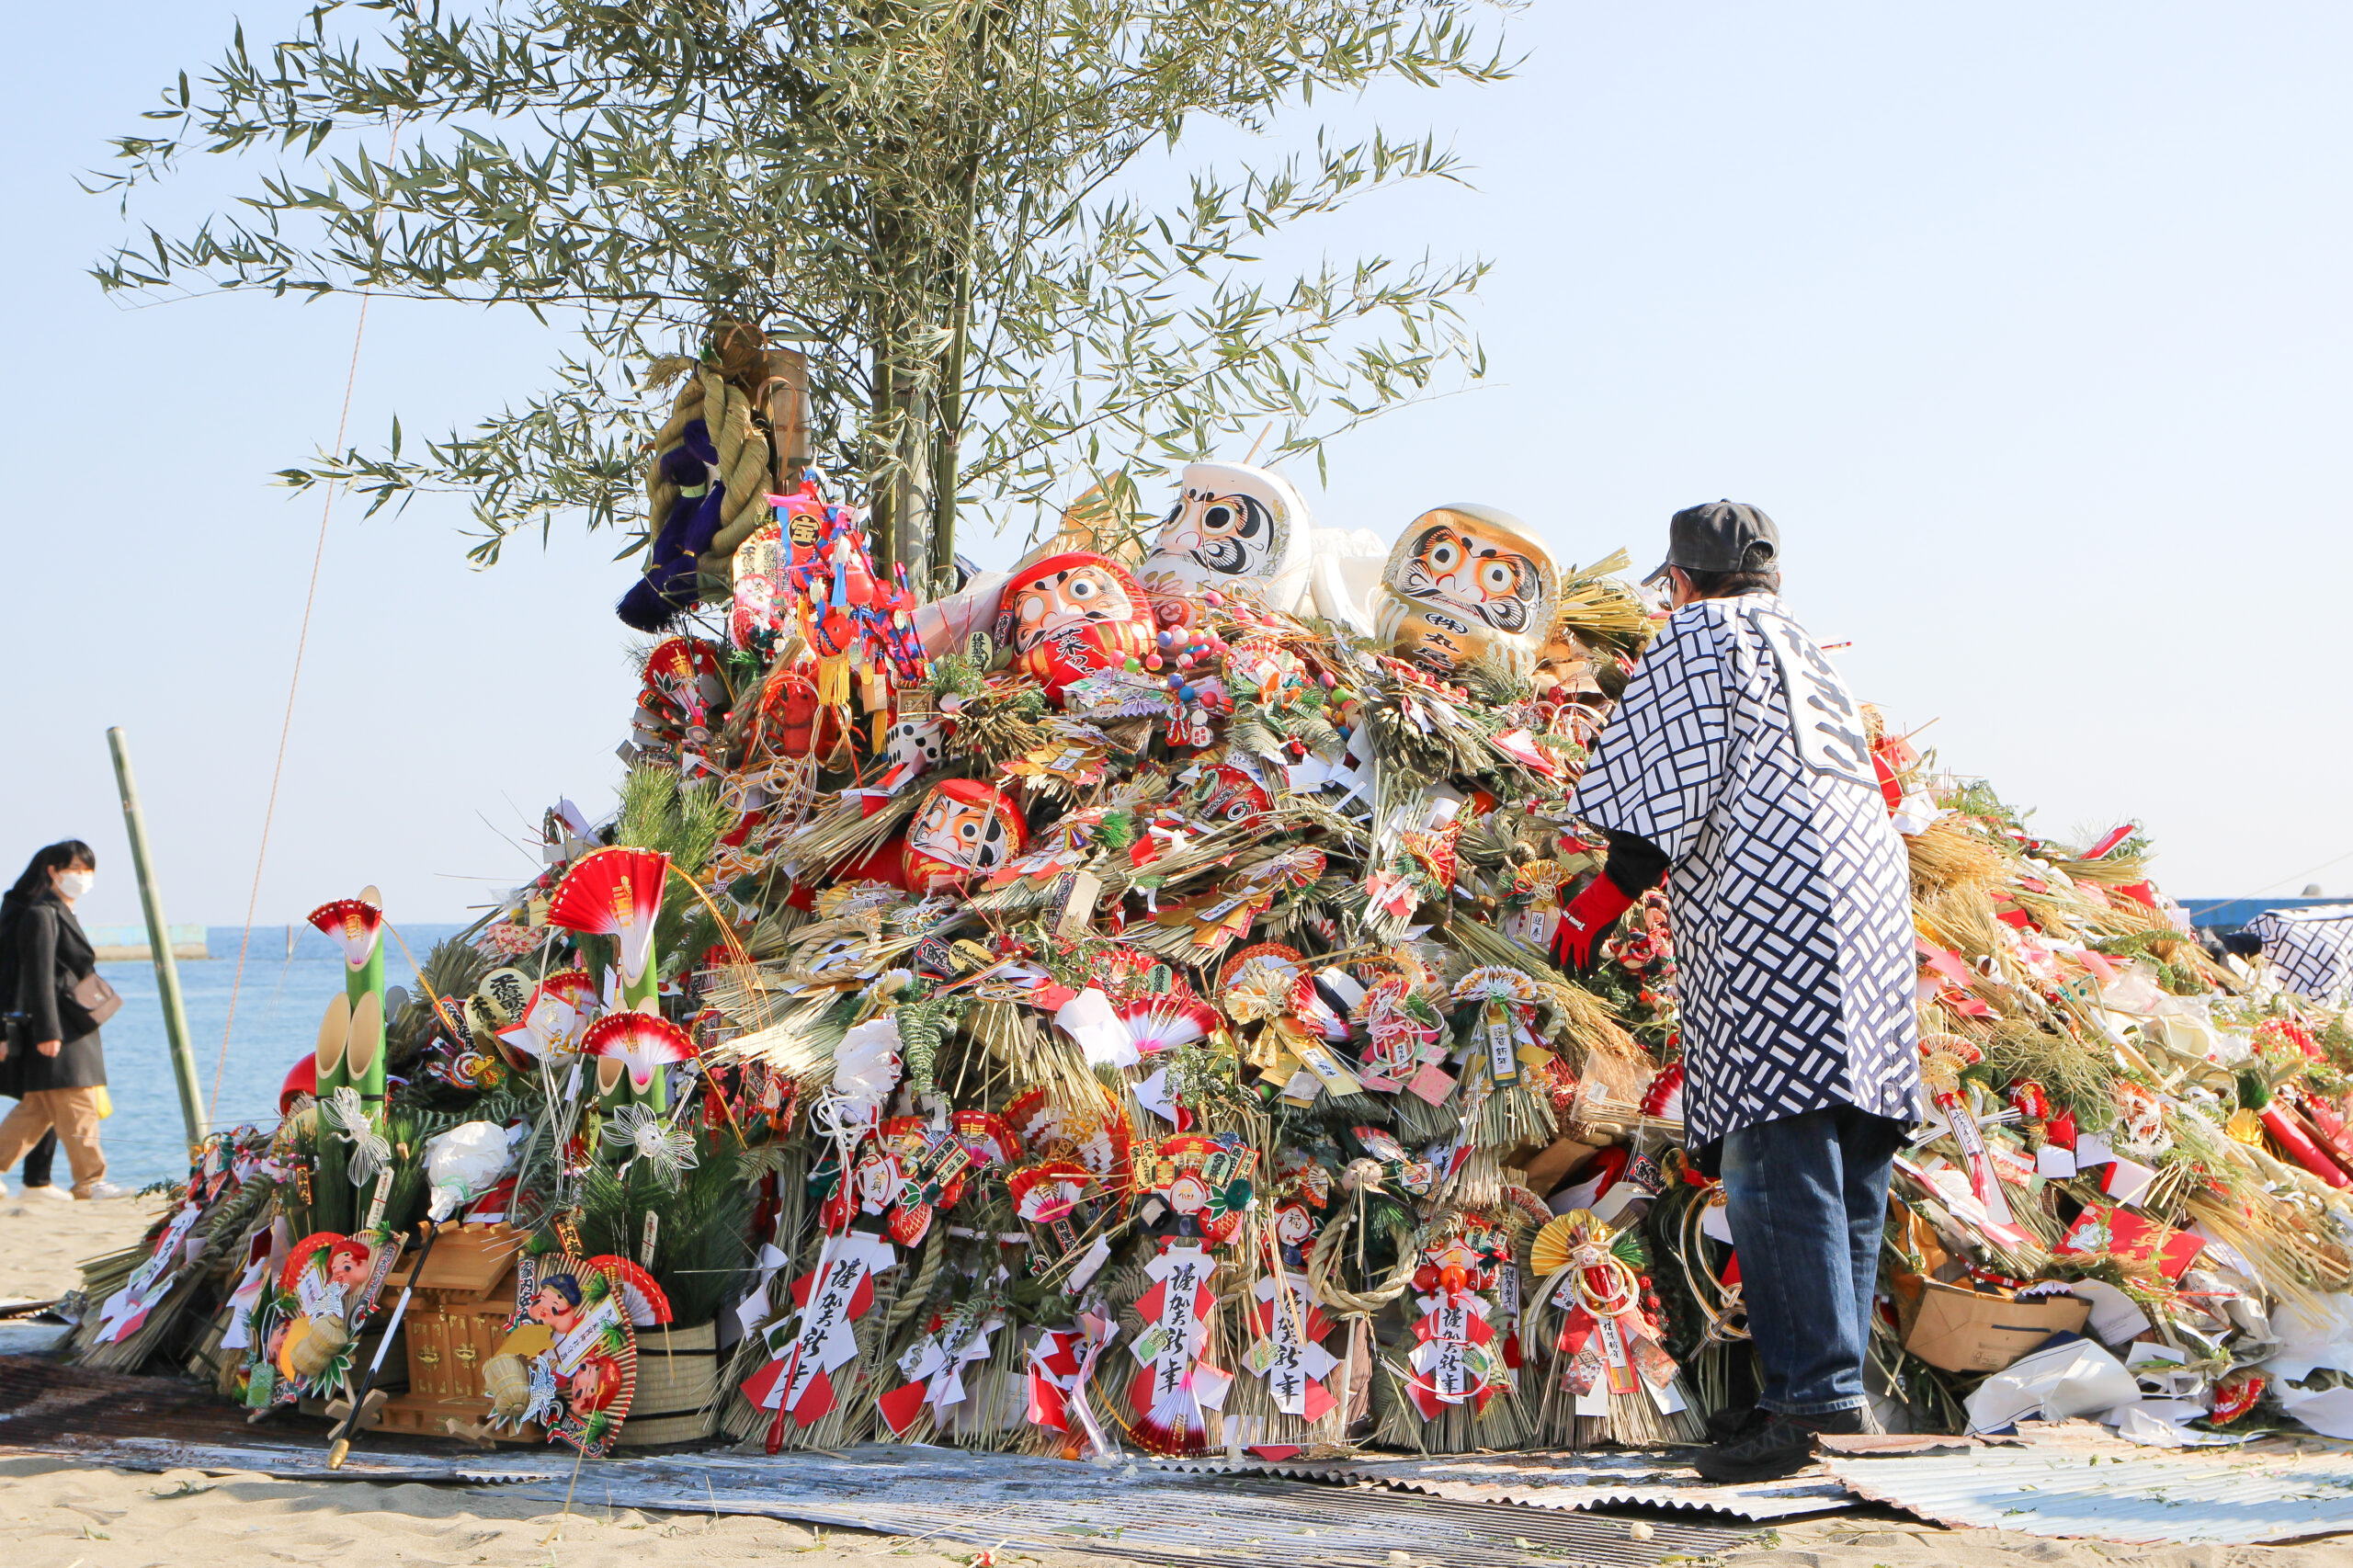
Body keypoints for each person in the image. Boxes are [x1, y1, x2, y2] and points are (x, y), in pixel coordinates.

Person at [1561, 502, 1921, 1483]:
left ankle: (1810, 1405)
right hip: (1868, 920)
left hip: (1777, 922)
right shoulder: (1805, 647)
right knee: (1846, 1158)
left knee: (1777, 1155)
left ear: (1681, 579)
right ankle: (1828, 1392)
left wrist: (1600, 900)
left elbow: (1664, 788)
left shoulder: (1702, 632)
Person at [0, 841, 126, 1200]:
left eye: (88, 870)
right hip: (60, 1028)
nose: (82, 877)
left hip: (72, 1027)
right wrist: (47, 1031)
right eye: (74, 869)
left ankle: (85, 1180)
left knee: (36, 1110)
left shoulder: (62, 912)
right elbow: (38, 977)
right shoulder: (42, 914)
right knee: (78, 1102)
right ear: (53, 872)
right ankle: (91, 1180)